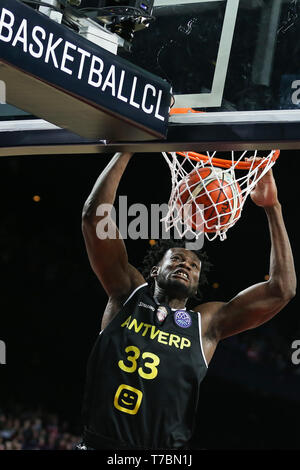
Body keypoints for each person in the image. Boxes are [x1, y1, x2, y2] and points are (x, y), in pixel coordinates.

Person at [79, 152, 296, 450]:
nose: (185, 265)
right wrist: (126, 149)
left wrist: (273, 207)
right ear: (155, 271)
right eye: (177, 259)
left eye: (193, 266)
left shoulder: (205, 324)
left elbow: (282, 289)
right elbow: (93, 217)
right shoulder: (127, 293)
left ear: (196, 286)